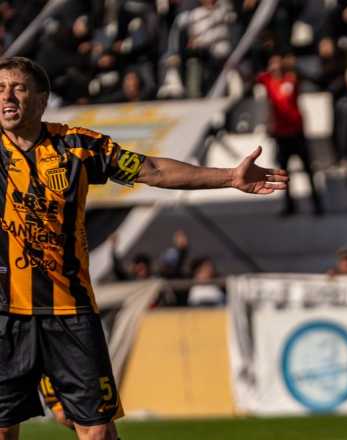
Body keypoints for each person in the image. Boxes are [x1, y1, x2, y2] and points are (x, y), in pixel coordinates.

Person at [0, 56, 286, 440]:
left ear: (41, 99)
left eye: (18, 88)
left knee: (97, 431)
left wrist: (228, 177)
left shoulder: (77, 147)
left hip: (70, 312)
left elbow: (152, 170)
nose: (8, 97)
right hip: (4, 315)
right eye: (0, 89)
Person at [256, 53, 324, 216]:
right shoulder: (268, 81)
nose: (276, 67)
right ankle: (290, 205)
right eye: (272, 64)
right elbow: (256, 77)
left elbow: (305, 77)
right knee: (284, 173)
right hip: (281, 135)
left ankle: (317, 204)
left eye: (278, 63)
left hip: (297, 132)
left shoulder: (291, 78)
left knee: (309, 169)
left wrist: (291, 65)